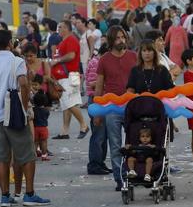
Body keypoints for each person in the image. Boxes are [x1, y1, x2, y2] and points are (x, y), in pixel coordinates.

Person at [0, 30, 51, 207]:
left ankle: (5, 197)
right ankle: (29, 194)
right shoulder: (17, 62)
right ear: (9, 44)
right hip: (14, 115)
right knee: (27, 155)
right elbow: (23, 83)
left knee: (1, 157)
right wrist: (24, 107)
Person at [94, 26, 138, 191]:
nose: (122, 40)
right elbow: (99, 87)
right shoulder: (104, 59)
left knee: (133, 142)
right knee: (115, 144)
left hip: (132, 105)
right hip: (112, 107)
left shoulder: (134, 56)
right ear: (112, 41)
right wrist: (97, 112)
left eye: (123, 37)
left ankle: (132, 174)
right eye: (118, 38)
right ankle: (120, 179)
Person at [50, 21, 88, 140]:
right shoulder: (65, 41)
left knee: (69, 103)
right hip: (70, 76)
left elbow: (71, 55)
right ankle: (64, 131)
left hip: (69, 76)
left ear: (67, 28)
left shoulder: (70, 40)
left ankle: (84, 125)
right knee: (67, 104)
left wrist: (57, 61)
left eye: (60, 27)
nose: (58, 29)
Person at [86, 45, 111, 175]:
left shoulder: (100, 62)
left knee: (103, 134)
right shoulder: (96, 63)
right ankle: (95, 164)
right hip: (97, 100)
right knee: (98, 134)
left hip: (104, 101)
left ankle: (100, 163)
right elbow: (92, 84)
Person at [31, 76, 51, 161]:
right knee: (44, 141)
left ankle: (34, 154)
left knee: (35, 141)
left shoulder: (33, 110)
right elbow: (47, 116)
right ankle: (44, 155)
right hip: (43, 127)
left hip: (35, 128)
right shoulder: (46, 111)